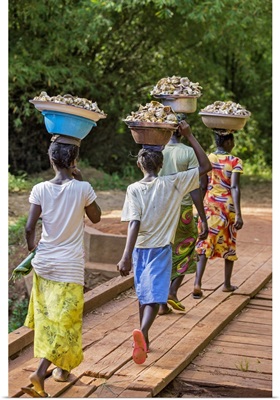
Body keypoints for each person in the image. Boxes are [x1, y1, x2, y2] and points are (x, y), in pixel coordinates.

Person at [117, 120, 212, 365]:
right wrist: (190, 135)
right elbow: (206, 165)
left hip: (139, 249)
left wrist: (126, 255)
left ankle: (142, 336)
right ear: (162, 165)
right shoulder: (173, 182)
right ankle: (144, 332)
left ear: (139, 164)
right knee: (156, 297)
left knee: (142, 293)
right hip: (161, 249)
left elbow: (133, 223)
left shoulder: (133, 189)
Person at [21, 135, 101, 398]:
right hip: (69, 268)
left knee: (49, 321)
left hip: (44, 265)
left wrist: (33, 249)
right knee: (66, 324)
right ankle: (40, 371)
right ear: (74, 161)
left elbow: (30, 226)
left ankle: (63, 370)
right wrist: (79, 181)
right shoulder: (83, 188)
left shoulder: (40, 189)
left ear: (50, 160)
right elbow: (96, 217)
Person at [158, 116, 208, 315]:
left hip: (160, 211)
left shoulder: (156, 150)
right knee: (186, 250)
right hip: (183, 210)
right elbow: (195, 187)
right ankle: (172, 291)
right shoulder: (188, 152)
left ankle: (161, 304)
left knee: (164, 252)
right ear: (182, 130)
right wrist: (203, 218)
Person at [193, 130, 244, 299]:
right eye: (233, 140)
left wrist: (200, 211)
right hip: (226, 208)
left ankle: (197, 283)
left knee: (204, 243)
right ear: (228, 142)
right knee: (229, 243)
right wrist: (238, 214)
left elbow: (202, 186)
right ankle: (227, 284)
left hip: (209, 205)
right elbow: (235, 187)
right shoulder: (235, 161)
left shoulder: (208, 158)